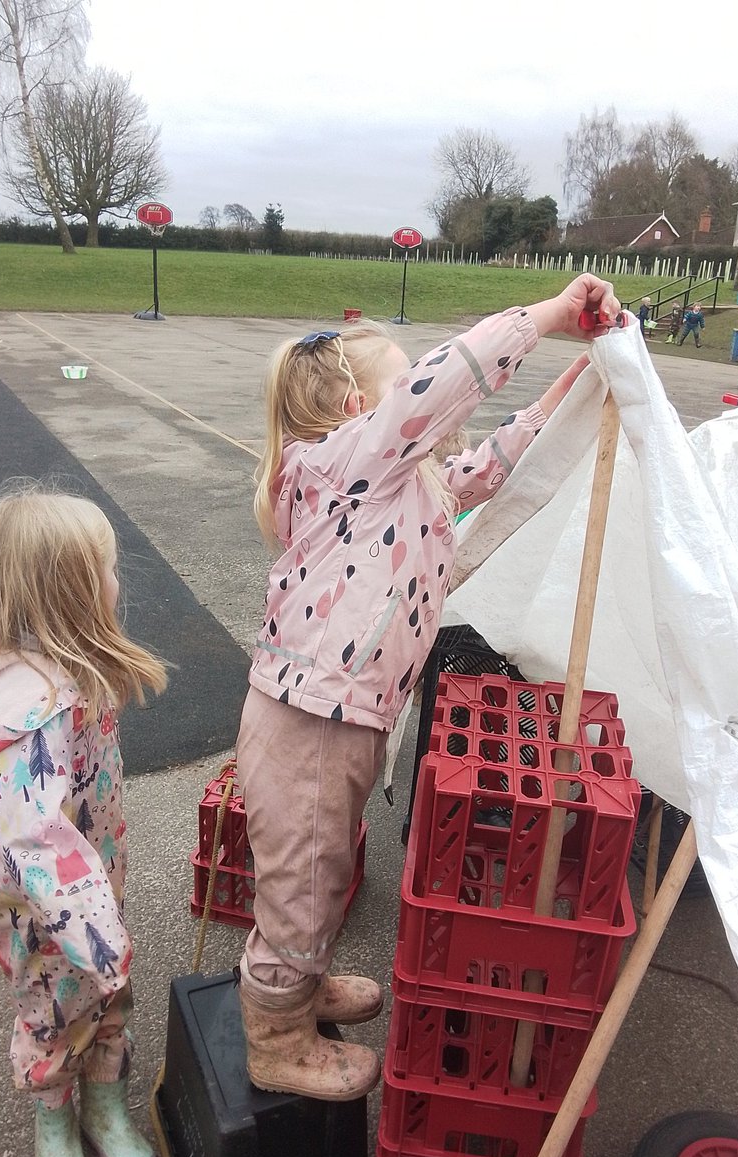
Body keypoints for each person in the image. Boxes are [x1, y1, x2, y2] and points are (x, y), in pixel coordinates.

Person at [235, 274, 621, 1104]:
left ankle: (301, 983)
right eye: (404, 385)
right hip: (309, 721)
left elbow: (493, 463)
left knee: (324, 870)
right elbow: (447, 381)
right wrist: (549, 315)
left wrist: (579, 376)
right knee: (300, 886)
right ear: (355, 410)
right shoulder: (341, 463)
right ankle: (275, 1036)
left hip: (346, 717)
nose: (433, 408)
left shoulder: (402, 483)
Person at [0, 484, 168, 1157]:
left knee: (102, 999)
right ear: (67, 594)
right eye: (105, 567)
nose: (116, 580)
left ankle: (103, 1099)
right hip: (39, 903)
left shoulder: (62, 665)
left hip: (89, 871)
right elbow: (34, 839)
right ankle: (55, 1114)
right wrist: (95, 935)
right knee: (53, 1010)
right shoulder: (30, 713)